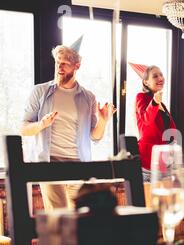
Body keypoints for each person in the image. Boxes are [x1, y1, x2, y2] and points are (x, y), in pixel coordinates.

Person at [20, 36, 116, 210]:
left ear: (77, 66)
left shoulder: (88, 97)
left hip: (79, 167)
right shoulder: (39, 92)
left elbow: (94, 137)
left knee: (81, 219)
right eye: (58, 62)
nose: (59, 67)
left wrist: (103, 120)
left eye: (64, 63)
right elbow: (23, 128)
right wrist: (41, 124)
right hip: (49, 166)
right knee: (60, 219)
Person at [130, 64, 177, 181]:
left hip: (164, 163)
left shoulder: (162, 104)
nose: (160, 78)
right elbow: (146, 120)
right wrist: (155, 102)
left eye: (161, 75)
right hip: (149, 163)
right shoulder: (141, 97)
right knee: (149, 199)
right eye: (155, 76)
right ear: (146, 82)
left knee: (165, 199)